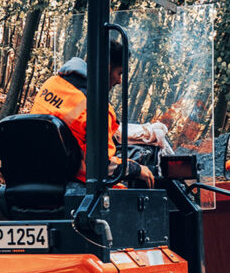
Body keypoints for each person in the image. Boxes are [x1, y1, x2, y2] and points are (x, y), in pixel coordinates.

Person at [26, 57, 152, 185]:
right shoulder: (96, 108)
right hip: (74, 181)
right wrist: (136, 169)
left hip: (31, 172)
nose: (119, 81)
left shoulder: (51, 84)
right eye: (119, 73)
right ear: (107, 68)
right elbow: (103, 165)